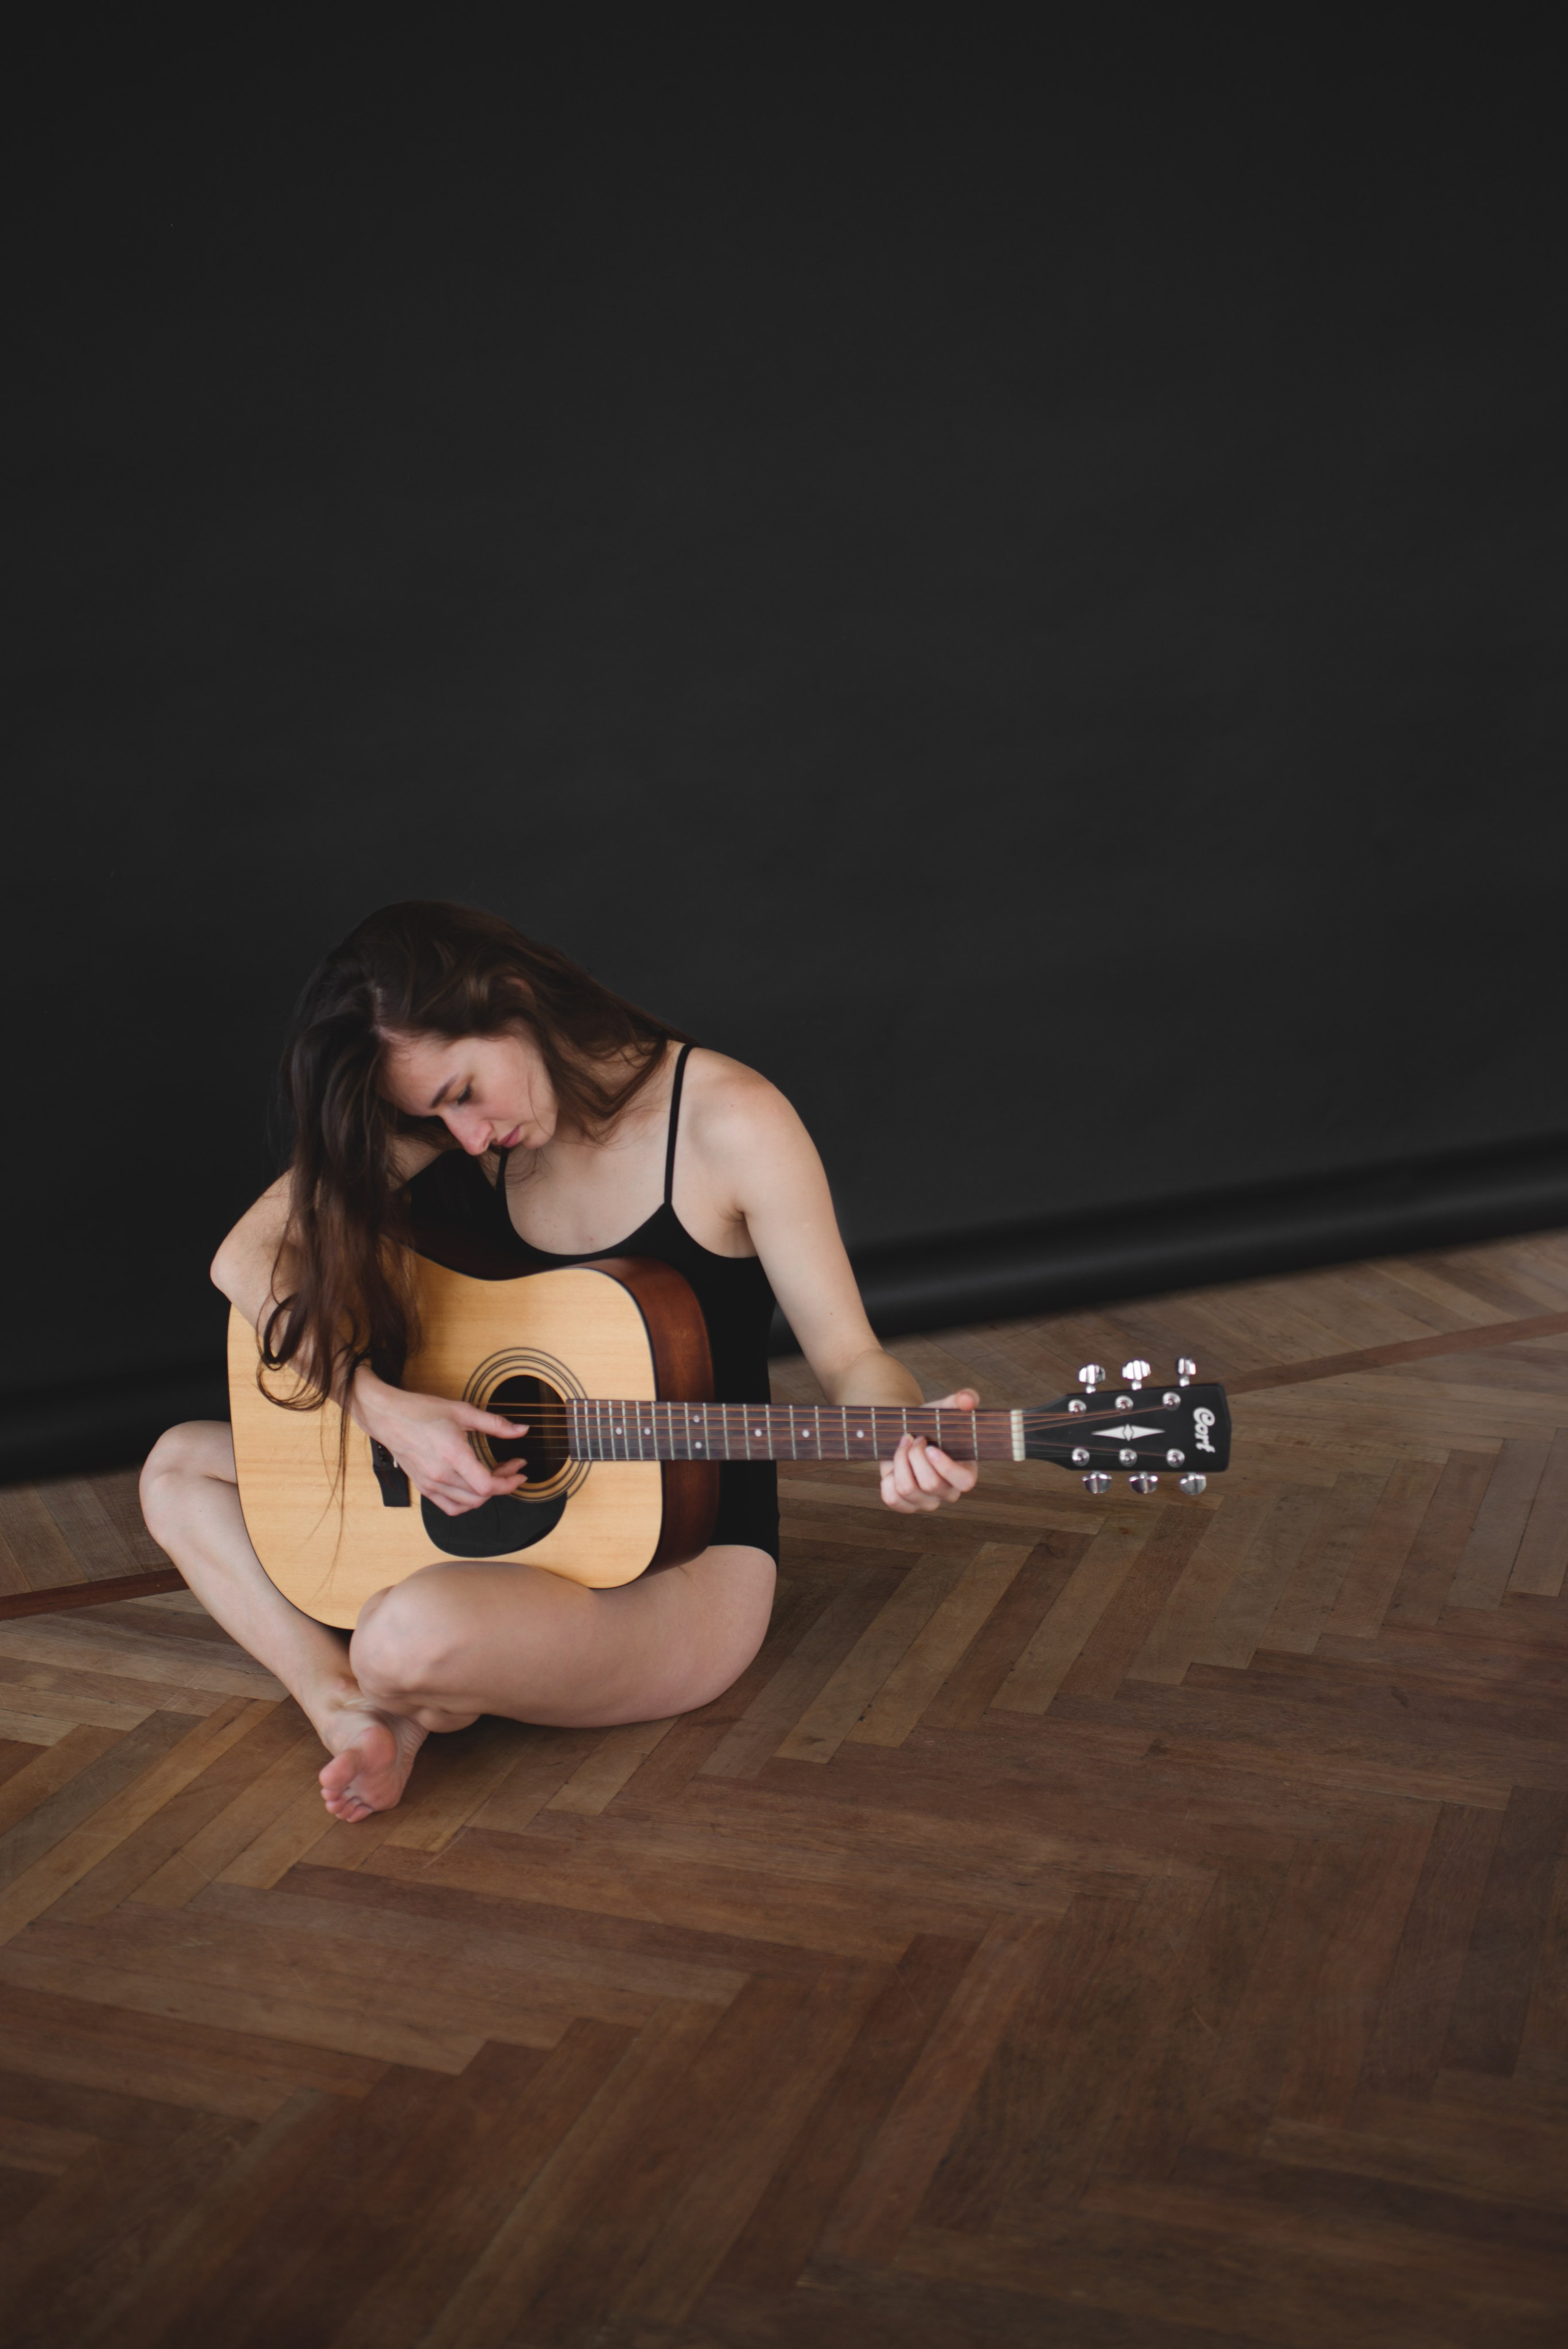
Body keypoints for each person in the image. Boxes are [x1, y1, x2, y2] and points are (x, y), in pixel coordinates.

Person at [140, 902, 978, 1822]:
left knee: (403, 1635)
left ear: (514, 999)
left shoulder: (730, 1122)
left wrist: (905, 1433)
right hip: (471, 1528)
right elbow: (244, 1260)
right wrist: (378, 1406)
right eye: (433, 1114)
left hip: (680, 1575)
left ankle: (405, 1685)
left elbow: (855, 1359)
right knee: (178, 1468)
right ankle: (340, 1707)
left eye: (463, 1091)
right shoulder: (437, 1129)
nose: (464, 1136)